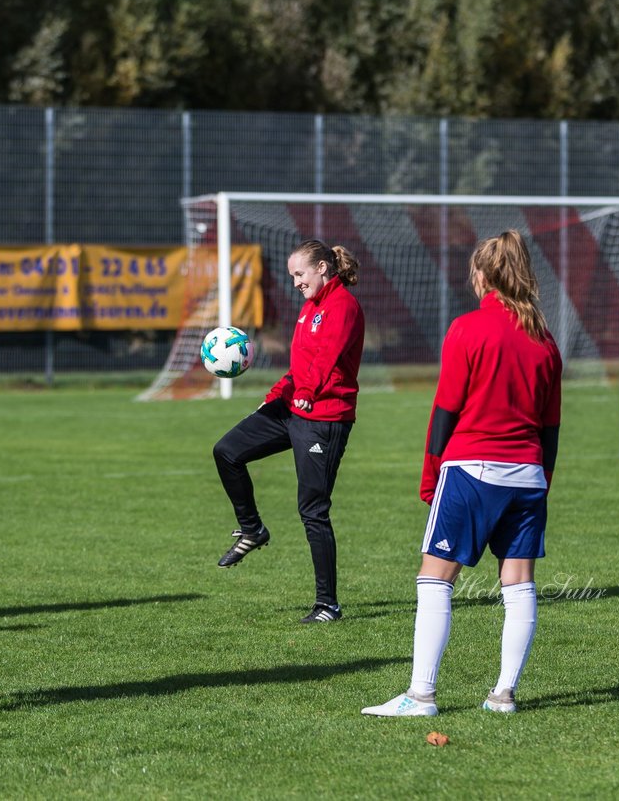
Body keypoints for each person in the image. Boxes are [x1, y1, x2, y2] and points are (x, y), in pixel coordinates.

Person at [363, 229, 562, 718]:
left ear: (485, 275)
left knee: (435, 580)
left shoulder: (467, 329)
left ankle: (422, 696)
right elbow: (551, 427)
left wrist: (430, 476)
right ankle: (503, 696)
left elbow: (444, 412)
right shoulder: (545, 341)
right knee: (519, 586)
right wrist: (542, 481)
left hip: (471, 470)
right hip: (528, 476)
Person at [211, 239, 364, 623]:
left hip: (324, 417)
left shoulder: (342, 305)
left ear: (323, 268)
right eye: (293, 275)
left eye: (300, 273)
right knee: (227, 451)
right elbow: (301, 366)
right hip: (292, 407)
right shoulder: (310, 308)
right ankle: (252, 529)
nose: (296, 281)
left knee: (313, 511)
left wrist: (308, 394)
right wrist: (276, 396)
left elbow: (327, 359)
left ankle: (327, 604)